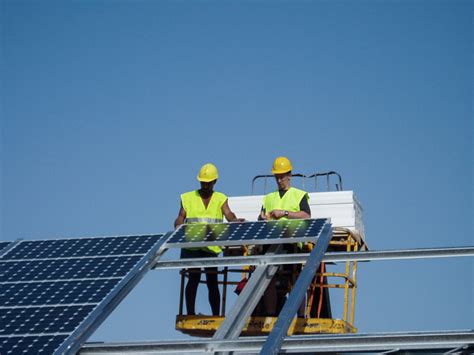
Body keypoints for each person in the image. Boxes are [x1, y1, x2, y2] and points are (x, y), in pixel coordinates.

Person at [174, 163, 243, 316]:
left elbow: (228, 214)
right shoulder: (188, 198)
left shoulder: (220, 198)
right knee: (193, 279)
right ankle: (190, 314)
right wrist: (178, 226)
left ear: (214, 182)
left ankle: (215, 316)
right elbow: (180, 217)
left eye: (208, 183)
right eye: (203, 182)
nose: (205, 186)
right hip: (192, 247)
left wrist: (235, 221)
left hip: (210, 248)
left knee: (212, 282)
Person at [256, 156, 312, 317]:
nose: (279, 180)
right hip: (271, 243)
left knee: (295, 280)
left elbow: (306, 216)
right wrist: (263, 218)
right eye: (277, 177)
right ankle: (271, 315)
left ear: (289, 175)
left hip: (292, 243)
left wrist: (285, 213)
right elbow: (260, 218)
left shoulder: (299, 195)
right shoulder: (268, 198)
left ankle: (300, 316)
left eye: (282, 176)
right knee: (269, 279)